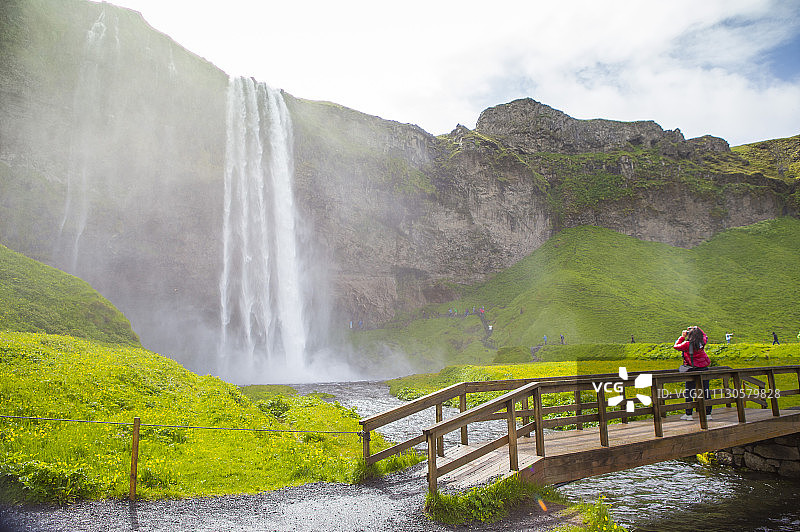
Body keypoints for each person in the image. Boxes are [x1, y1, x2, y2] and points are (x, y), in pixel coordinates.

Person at [674, 326, 712, 421]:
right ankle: (708, 414)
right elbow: (705, 335)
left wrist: (682, 337)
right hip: (703, 368)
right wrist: (697, 328)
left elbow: (676, 346)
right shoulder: (702, 342)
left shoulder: (687, 344)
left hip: (692, 369)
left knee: (689, 391)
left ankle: (689, 414)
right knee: (705, 390)